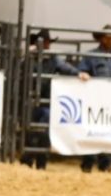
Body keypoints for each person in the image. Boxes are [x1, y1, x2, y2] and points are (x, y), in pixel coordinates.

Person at [23, 29, 83, 170]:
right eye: (45, 42)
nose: (47, 45)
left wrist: (78, 73)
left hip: (45, 100)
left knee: (43, 128)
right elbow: (20, 68)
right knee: (32, 129)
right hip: (29, 100)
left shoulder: (52, 58)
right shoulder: (30, 57)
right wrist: (28, 55)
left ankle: (37, 160)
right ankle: (30, 159)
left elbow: (65, 67)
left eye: (48, 42)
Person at [78, 25, 111, 173]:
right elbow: (82, 71)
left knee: (109, 131)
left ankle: (105, 163)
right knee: (91, 130)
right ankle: (88, 162)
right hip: (94, 100)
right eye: (109, 38)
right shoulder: (91, 56)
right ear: (102, 39)